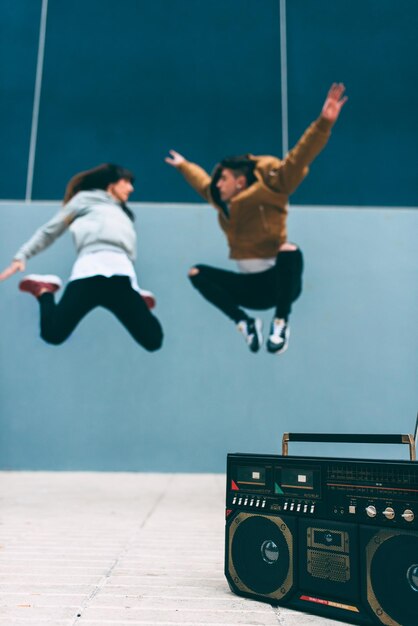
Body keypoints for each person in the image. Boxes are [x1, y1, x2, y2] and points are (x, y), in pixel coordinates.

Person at [165, 83, 347, 354]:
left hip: (278, 284)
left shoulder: (273, 187)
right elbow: (203, 184)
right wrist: (184, 166)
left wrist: (324, 123)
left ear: (240, 181)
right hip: (249, 289)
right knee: (197, 273)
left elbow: (300, 156)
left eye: (223, 179)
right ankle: (245, 323)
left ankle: (281, 322)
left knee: (289, 251)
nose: (218, 185)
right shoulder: (222, 201)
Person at [0, 163, 163, 351]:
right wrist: (22, 256)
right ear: (111, 184)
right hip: (89, 273)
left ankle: (136, 294)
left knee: (153, 340)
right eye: (126, 182)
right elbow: (49, 231)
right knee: (52, 333)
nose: (131, 188)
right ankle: (44, 290)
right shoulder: (84, 200)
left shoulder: (124, 213)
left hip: (121, 277)